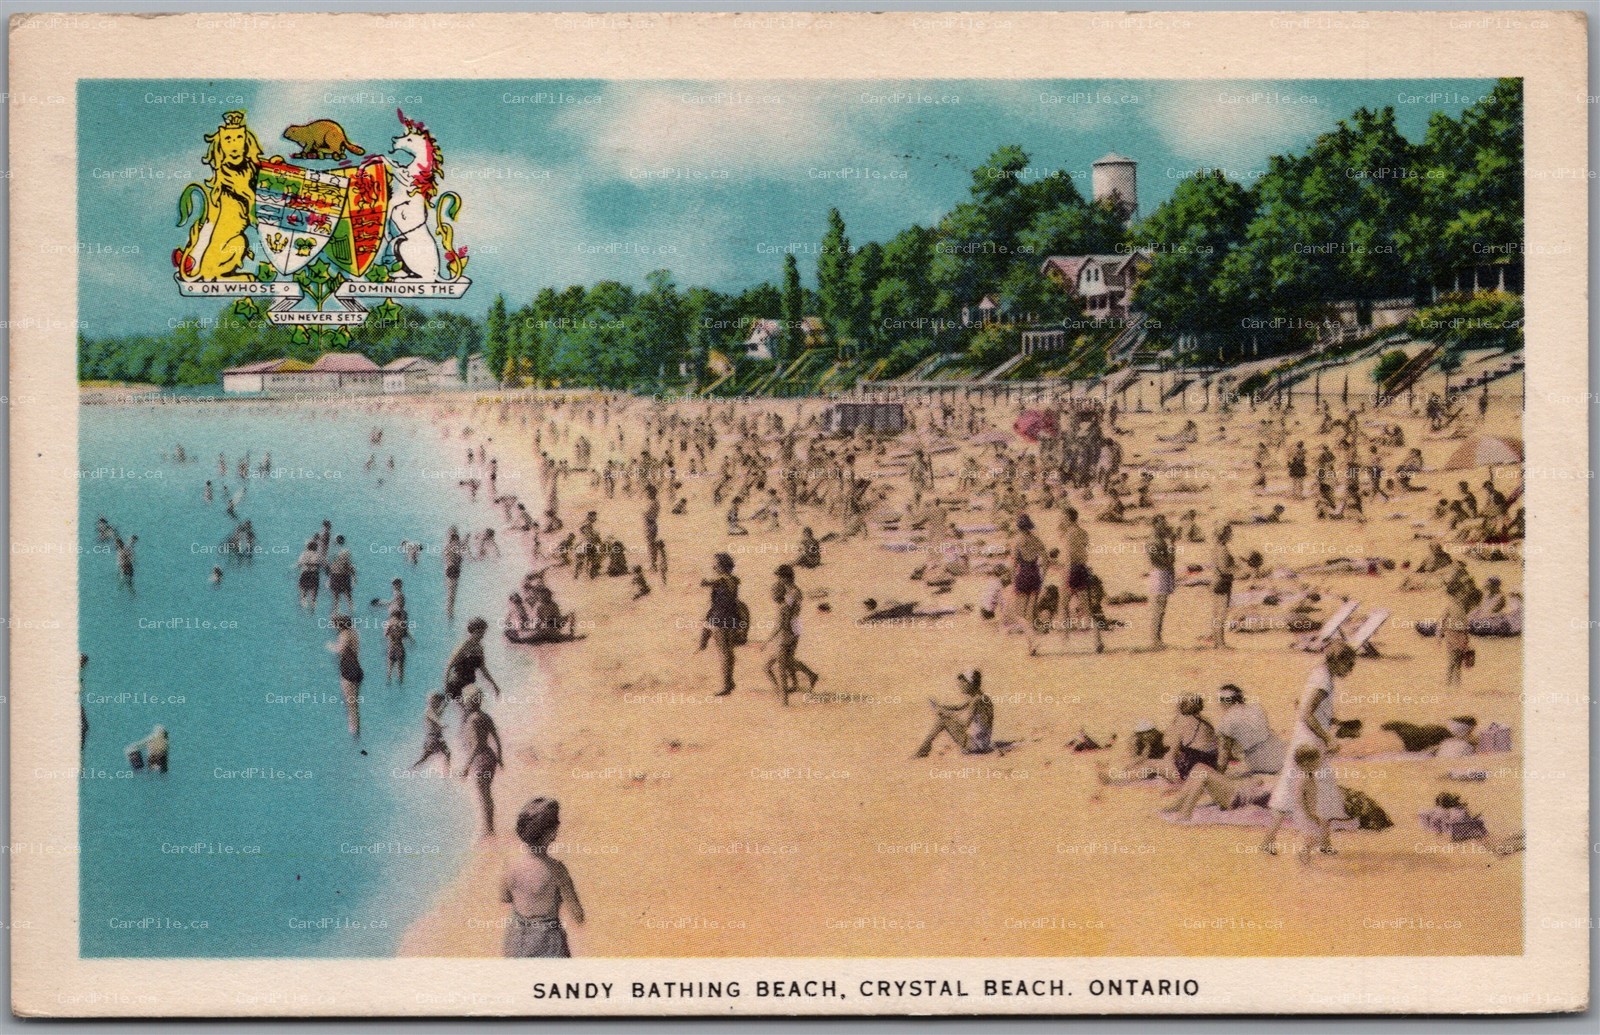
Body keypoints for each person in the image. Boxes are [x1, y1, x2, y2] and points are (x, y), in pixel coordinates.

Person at [1262, 644, 1355, 856]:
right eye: (1348, 664)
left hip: (1306, 739)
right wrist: (1327, 737)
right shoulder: (1323, 681)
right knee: (1320, 787)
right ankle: (1322, 842)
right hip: (1311, 742)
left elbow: (1306, 708)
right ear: (1336, 661)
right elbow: (1306, 713)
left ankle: (1273, 840)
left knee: (1295, 786)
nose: (1350, 669)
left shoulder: (1321, 674)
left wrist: (1334, 722)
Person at [501, 798, 585, 958]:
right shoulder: (557, 869)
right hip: (548, 941)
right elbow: (578, 915)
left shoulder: (510, 865)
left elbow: (505, 897)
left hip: (516, 939)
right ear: (552, 833)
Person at [764, 564, 817, 704]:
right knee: (788, 660)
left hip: (789, 628)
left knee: (785, 662)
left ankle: (786, 694)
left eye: (780, 577)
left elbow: (786, 615)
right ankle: (801, 680)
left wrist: (771, 638)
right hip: (793, 627)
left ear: (786, 577)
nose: (778, 580)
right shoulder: (791, 591)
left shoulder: (792, 593)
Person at [914, 670, 994, 757]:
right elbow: (958, 707)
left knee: (943, 719)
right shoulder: (982, 697)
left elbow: (965, 724)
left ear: (969, 684)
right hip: (983, 743)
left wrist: (946, 714)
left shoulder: (975, 701)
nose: (960, 686)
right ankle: (925, 747)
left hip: (976, 745)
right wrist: (940, 706)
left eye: (962, 683)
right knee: (944, 717)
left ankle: (924, 748)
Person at [459, 687, 504, 837]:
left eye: (465, 700)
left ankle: (488, 830)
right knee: (487, 794)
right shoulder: (485, 716)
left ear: (469, 702)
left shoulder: (473, 719)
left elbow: (477, 744)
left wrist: (466, 766)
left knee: (483, 795)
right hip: (490, 758)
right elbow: (496, 738)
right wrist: (500, 757)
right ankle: (489, 828)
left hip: (480, 760)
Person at [1213, 685, 1286, 775]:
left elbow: (1223, 754)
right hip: (1281, 752)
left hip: (1262, 763)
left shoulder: (1225, 722)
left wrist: (1218, 774)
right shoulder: (1257, 707)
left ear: (1223, 702)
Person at [698, 553, 742, 697]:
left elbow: (709, 583)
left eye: (716, 564)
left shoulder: (722, 580)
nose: (713, 567)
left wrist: (705, 582)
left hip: (720, 618)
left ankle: (726, 685)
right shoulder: (733, 580)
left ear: (722, 566)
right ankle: (729, 681)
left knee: (724, 653)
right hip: (731, 617)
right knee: (728, 652)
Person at [444, 618, 502, 705]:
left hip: (470, 683)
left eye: (483, 632)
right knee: (467, 709)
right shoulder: (464, 646)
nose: (482, 635)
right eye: (479, 632)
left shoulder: (479, 648)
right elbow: (449, 666)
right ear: (472, 631)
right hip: (457, 684)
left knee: (475, 706)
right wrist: (446, 689)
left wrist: (494, 685)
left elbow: (483, 669)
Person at [328, 613, 363, 739]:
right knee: (354, 703)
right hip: (356, 668)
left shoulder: (344, 634)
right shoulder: (354, 632)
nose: (332, 627)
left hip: (348, 670)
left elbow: (340, 650)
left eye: (334, 624)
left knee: (350, 704)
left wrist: (330, 646)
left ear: (339, 625)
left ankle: (354, 733)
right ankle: (356, 730)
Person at [1010, 514, 1047, 628]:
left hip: (1023, 574)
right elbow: (1046, 561)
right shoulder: (1036, 540)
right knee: (1031, 608)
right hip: (1035, 574)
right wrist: (1042, 577)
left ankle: (1026, 633)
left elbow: (1013, 564)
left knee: (1020, 610)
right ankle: (1031, 631)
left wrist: (1013, 580)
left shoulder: (1017, 542)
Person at [1146, 514, 1176, 650]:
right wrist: (1171, 545)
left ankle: (1157, 639)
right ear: (1155, 524)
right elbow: (1166, 561)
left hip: (1162, 573)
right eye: (1162, 523)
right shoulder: (1154, 541)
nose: (1165, 525)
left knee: (1161, 609)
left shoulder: (1158, 539)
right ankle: (1155, 640)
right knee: (1158, 609)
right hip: (1160, 574)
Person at [1170, 695, 1219, 779]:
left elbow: (1173, 752)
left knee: (1154, 764)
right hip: (1212, 763)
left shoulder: (1182, 721)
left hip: (1195, 764)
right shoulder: (1206, 721)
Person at [410, 692, 452, 774]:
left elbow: (440, 712)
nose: (439, 705)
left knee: (427, 757)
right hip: (433, 738)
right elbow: (436, 719)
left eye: (440, 703)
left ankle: (447, 771)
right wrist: (442, 725)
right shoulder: (429, 711)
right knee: (427, 757)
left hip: (435, 737)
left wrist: (446, 703)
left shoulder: (434, 711)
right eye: (438, 702)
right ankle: (447, 771)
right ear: (433, 701)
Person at [1208, 524, 1236, 649]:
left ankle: (1217, 642)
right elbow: (1224, 569)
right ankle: (1220, 643)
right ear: (1225, 534)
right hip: (1222, 582)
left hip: (1216, 581)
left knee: (1216, 614)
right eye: (1230, 533)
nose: (1231, 535)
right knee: (1221, 614)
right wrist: (1239, 569)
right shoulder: (1223, 549)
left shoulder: (1216, 547)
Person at [326, 535, 356, 613]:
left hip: (337, 574)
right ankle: (349, 609)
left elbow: (329, 566)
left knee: (337, 594)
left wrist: (328, 578)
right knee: (346, 594)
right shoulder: (345, 551)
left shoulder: (333, 551)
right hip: (342, 574)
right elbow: (349, 565)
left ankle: (339, 610)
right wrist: (353, 576)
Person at [384, 607, 413, 683]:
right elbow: (406, 635)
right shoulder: (402, 624)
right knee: (400, 669)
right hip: (400, 647)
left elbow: (385, 634)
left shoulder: (389, 624)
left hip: (391, 647)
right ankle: (400, 683)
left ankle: (389, 681)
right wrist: (412, 641)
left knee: (390, 668)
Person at [443, 526, 466, 622]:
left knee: (450, 594)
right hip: (454, 569)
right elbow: (462, 555)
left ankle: (449, 614)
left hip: (449, 569)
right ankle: (450, 615)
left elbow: (445, 558)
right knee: (452, 595)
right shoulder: (458, 545)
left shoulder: (447, 546)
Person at [295, 538, 321, 610]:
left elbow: (299, 563)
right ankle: (313, 604)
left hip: (305, 572)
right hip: (314, 573)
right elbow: (320, 564)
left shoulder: (304, 554)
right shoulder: (317, 554)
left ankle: (304, 603)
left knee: (303, 590)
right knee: (314, 591)